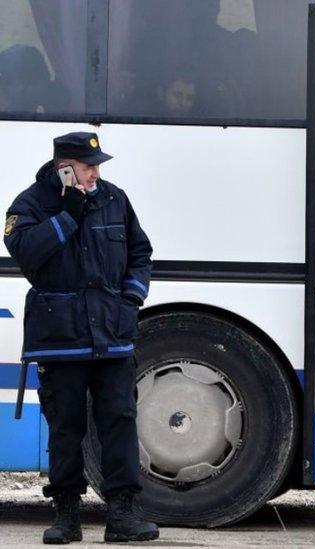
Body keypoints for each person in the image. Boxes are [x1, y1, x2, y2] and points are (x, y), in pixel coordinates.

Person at [3, 132, 157, 544]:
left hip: (112, 334)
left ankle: (122, 515)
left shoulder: (113, 197)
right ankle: (66, 516)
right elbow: (26, 254)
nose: (96, 174)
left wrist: (132, 297)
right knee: (66, 428)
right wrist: (67, 214)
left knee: (120, 420)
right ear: (64, 167)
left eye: (98, 166)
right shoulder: (30, 204)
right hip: (60, 338)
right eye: (89, 167)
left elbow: (140, 253)